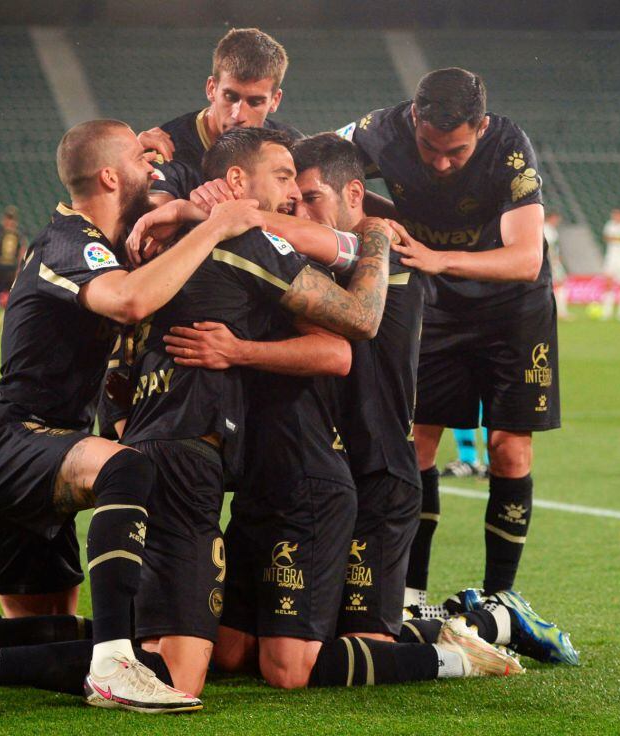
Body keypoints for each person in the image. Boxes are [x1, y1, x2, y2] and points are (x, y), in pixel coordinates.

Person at [0, 119, 273, 716]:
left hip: (40, 452)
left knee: (52, 630)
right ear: (108, 175)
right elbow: (129, 299)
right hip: (9, 440)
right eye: (137, 159)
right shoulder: (68, 239)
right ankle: (114, 667)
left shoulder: (97, 240)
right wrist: (217, 226)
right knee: (127, 472)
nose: (151, 167)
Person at [164, 132, 522, 689]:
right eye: (292, 193)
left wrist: (225, 213)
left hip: (377, 468)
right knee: (244, 651)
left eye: (311, 197)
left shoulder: (386, 257)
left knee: (346, 648)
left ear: (355, 194)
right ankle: (459, 627)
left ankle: (479, 630)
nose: (299, 208)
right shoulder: (310, 264)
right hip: (312, 466)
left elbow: (349, 331)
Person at [337, 68, 577, 664]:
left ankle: (502, 596)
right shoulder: (377, 130)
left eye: (458, 151)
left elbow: (525, 259)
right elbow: (314, 164)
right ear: (414, 120)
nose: (443, 164)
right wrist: (368, 207)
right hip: (438, 305)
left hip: (512, 311)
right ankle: (411, 592)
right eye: (430, 150)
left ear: (483, 128)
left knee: (509, 450)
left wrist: (437, 256)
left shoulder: (508, 146)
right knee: (417, 441)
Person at [146, 27, 301, 203]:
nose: (238, 115)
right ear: (211, 88)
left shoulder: (292, 148)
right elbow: (156, 224)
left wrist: (200, 211)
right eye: (230, 97)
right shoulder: (169, 148)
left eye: (255, 102)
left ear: (275, 100)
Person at [0, 205, 28, 312]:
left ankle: (7, 313)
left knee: (12, 292)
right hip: (0, 266)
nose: (9, 221)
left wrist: (20, 267)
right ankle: (4, 313)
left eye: (11, 218)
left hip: (12, 267)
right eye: (8, 218)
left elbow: (22, 251)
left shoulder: (19, 233)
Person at [544, 210, 571, 319]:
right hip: (551, 262)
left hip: (551, 261)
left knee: (558, 284)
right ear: (551, 218)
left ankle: (558, 311)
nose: (557, 221)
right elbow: (549, 247)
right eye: (556, 219)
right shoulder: (547, 229)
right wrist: (554, 261)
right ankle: (561, 312)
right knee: (559, 284)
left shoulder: (551, 229)